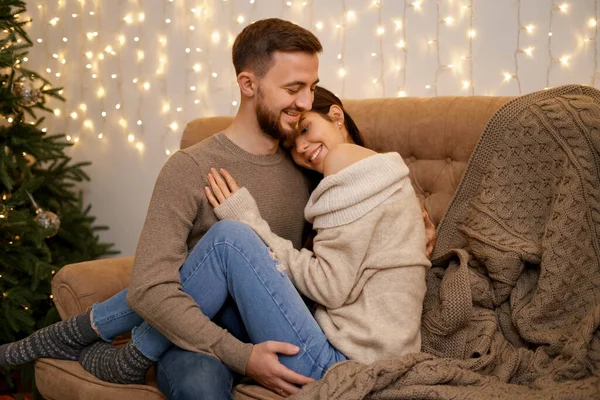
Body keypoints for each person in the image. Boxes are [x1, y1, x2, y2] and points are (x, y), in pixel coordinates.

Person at [0, 20, 436, 399]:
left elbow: (353, 233)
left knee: (232, 238)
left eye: (311, 89)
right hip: (198, 331)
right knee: (201, 384)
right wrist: (240, 356)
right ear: (248, 84)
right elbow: (150, 288)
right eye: (292, 88)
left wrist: (414, 227)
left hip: (283, 325)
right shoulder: (190, 167)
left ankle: (78, 336)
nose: (305, 102)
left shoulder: (310, 166)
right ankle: (79, 339)